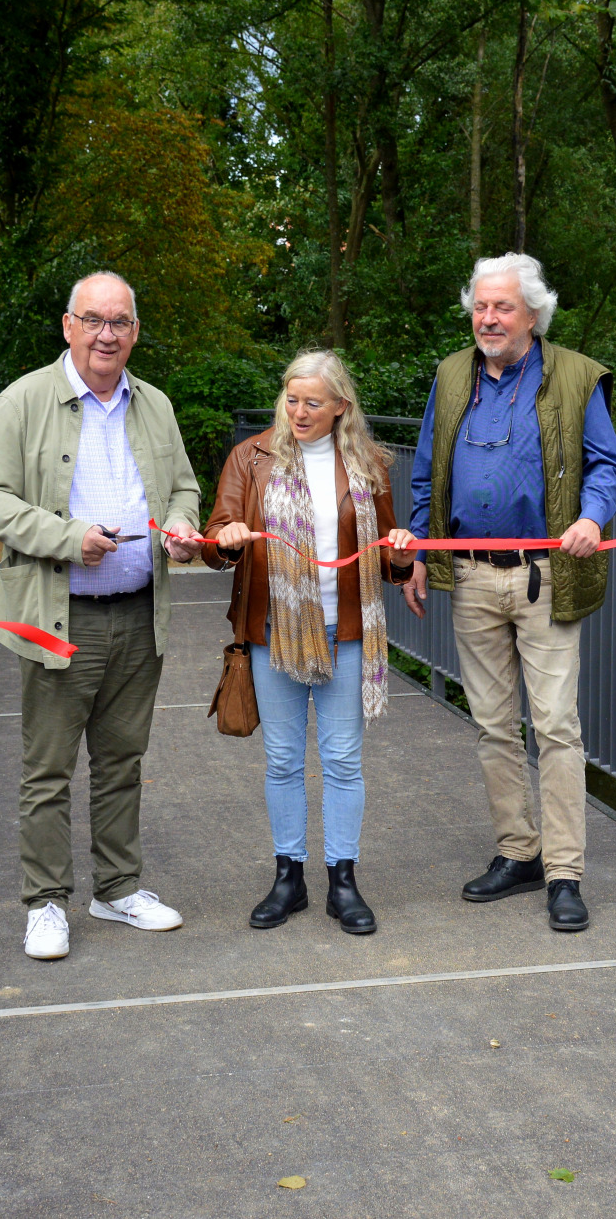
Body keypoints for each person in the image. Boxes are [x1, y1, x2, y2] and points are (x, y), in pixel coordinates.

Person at [0, 271, 205, 961]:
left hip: (138, 614)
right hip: (57, 617)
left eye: (120, 322)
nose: (108, 334)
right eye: (94, 320)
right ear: (68, 326)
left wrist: (181, 526)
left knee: (122, 761)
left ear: (135, 331)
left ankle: (117, 888)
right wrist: (68, 537)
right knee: (48, 771)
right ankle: (45, 901)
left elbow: (184, 487)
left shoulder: (154, 404)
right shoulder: (22, 400)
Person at [403, 253, 616, 932]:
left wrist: (592, 518)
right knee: (494, 726)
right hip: (470, 574)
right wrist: (420, 552)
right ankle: (518, 852)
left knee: (555, 726)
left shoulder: (576, 375)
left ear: (533, 313)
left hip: (545, 574)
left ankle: (564, 872)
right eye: (480, 306)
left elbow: (606, 466)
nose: (488, 318)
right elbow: (425, 472)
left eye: (502, 306)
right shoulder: (451, 374)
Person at [196, 351, 416, 934]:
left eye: (312, 403)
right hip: (272, 633)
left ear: (340, 406)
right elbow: (214, 540)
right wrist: (228, 537)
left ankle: (343, 882)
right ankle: (288, 878)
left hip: (346, 632)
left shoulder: (368, 462)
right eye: (291, 399)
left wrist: (401, 552)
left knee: (342, 760)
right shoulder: (251, 457)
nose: (298, 412)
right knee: (283, 759)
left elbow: (390, 558)